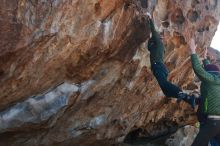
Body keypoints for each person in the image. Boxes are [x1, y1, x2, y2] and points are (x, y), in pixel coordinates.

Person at [146, 14, 195, 108]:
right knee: (166, 92)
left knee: (164, 84)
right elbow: (149, 47)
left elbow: (154, 33)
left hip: (158, 66)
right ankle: (187, 99)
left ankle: (183, 94)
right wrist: (150, 38)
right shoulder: (156, 47)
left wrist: (151, 19)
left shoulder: (159, 44)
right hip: (160, 68)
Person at [189, 38, 220, 146]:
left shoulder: (211, 79)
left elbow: (198, 69)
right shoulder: (216, 80)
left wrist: (192, 51)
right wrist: (205, 58)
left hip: (212, 122)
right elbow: (209, 69)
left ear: (210, 74)